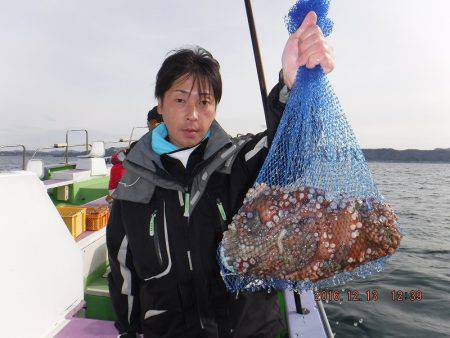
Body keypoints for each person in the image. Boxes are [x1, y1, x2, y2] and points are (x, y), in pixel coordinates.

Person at [107, 11, 334, 338]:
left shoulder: (240, 162)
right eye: (180, 99)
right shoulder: (133, 185)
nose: (192, 114)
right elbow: (122, 272)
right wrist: (128, 331)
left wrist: (293, 88)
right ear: (160, 105)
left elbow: (291, 151)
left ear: (216, 107)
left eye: (205, 101)